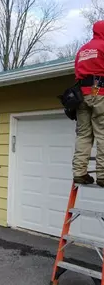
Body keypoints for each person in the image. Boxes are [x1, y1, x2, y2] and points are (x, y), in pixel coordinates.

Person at [73, 20, 104, 186]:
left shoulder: (82, 50)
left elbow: (77, 72)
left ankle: (79, 173)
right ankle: (103, 175)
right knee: (103, 134)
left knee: (84, 134)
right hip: (100, 92)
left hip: (82, 95)